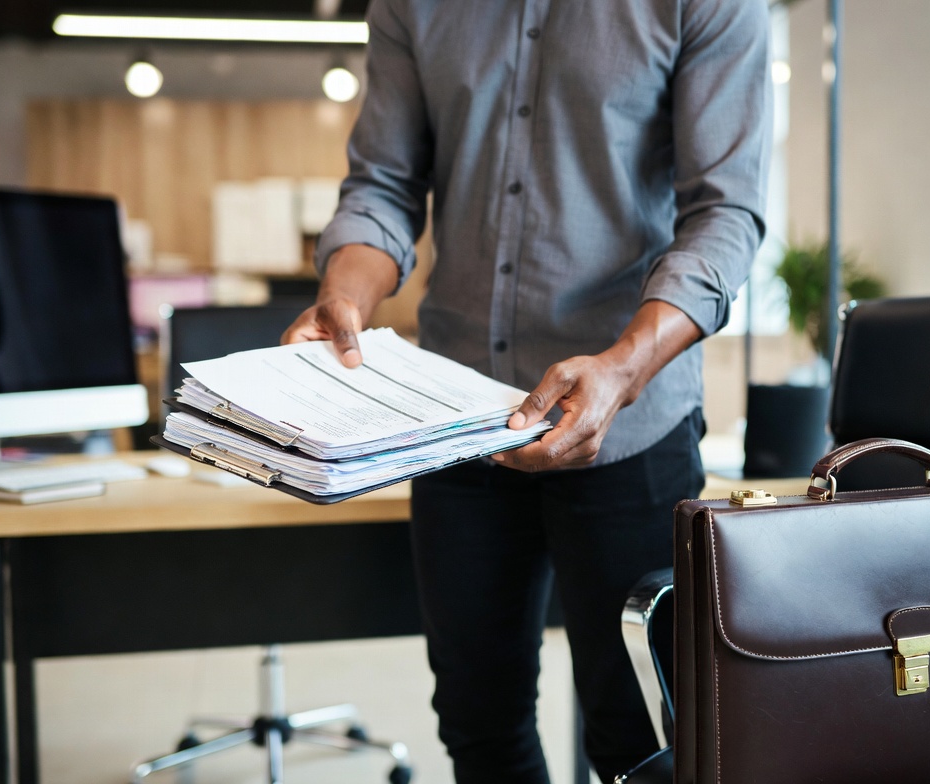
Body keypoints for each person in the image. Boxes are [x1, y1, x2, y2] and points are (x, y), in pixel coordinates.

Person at [283, 0, 772, 780]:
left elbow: (726, 213)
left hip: (630, 426)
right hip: (457, 424)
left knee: (643, 736)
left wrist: (623, 366)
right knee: (478, 726)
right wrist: (345, 297)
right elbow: (383, 186)